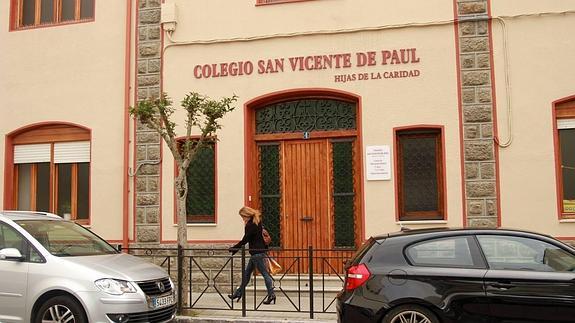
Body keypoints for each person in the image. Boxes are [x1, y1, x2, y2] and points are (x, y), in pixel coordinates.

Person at [228, 206, 275, 304]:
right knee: (247, 273)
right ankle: (238, 293)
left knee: (265, 274)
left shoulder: (250, 225)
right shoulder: (258, 222)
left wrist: (235, 248)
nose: (242, 219)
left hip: (256, 253)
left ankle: (271, 294)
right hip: (259, 252)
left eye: (243, 217)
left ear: (247, 215)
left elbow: (245, 239)